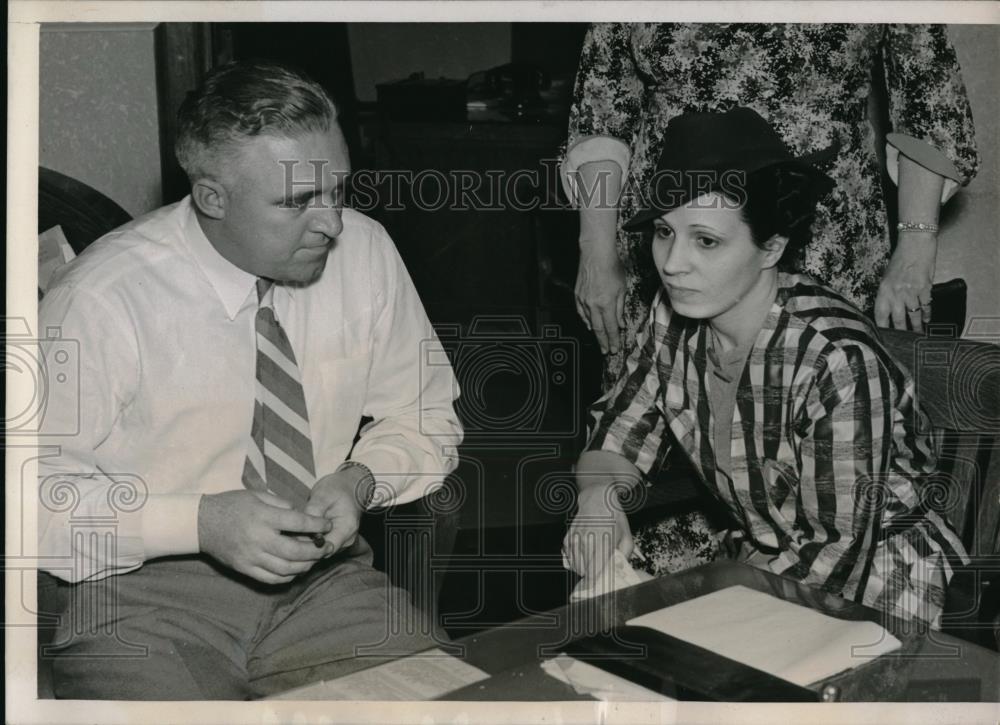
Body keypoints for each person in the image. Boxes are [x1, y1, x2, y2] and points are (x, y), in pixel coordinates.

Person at [37, 61, 463, 699]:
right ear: (213, 197)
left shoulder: (366, 253)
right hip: (138, 599)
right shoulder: (99, 299)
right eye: (296, 203)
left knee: (461, 704)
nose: (333, 224)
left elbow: (425, 416)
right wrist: (200, 523)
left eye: (339, 190)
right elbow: (27, 501)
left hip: (324, 585)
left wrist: (361, 479)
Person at [562, 108, 968, 628]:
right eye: (664, 232)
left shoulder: (834, 358)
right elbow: (617, 436)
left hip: (878, 581)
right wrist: (598, 498)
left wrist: (712, 617)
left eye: (705, 240)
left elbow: (835, 555)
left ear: (772, 247)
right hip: (763, 553)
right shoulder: (671, 319)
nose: (671, 263)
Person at [563, 23, 979, 380]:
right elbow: (601, 117)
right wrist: (596, 249)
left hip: (824, 241)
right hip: (676, 236)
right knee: (658, 427)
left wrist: (916, 249)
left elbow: (930, 110)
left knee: (825, 414)